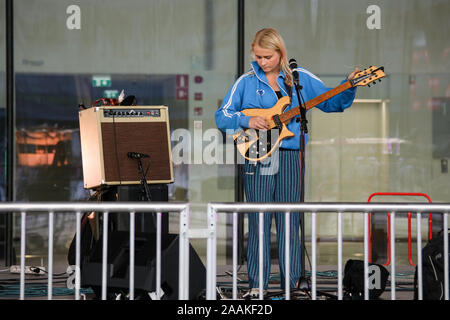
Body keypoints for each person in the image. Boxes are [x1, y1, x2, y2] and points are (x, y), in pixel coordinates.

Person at [215, 27, 359, 299]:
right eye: (257, 56)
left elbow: (331, 102)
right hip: (257, 154)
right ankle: (257, 287)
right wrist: (246, 120)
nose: (261, 61)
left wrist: (349, 86)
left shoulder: (299, 78)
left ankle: (292, 286)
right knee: (259, 221)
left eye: (267, 56)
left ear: (280, 53)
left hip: (291, 155)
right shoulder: (245, 82)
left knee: (290, 221)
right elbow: (222, 115)